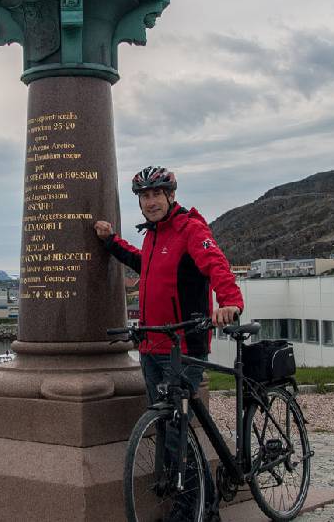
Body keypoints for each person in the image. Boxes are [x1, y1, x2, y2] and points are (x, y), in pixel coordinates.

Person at [95, 165, 244, 518]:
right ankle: (202, 500)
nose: (150, 201)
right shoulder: (153, 236)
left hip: (184, 346)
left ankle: (194, 506)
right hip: (151, 346)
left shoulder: (190, 229)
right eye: (144, 196)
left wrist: (230, 301)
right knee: (169, 425)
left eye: (156, 194)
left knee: (177, 428)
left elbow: (216, 264)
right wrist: (111, 241)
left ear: (170, 196)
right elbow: (140, 263)